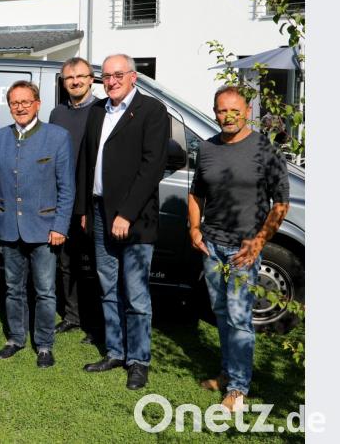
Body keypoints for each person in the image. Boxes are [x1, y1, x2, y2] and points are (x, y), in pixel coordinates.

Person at [189, 85, 290, 412]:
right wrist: (194, 228)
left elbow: (281, 203)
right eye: (222, 110)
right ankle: (227, 372)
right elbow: (196, 193)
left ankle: (238, 389)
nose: (228, 116)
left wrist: (258, 242)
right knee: (221, 313)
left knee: (239, 316)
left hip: (244, 249)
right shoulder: (207, 148)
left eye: (235, 110)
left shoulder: (264, 150)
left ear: (247, 112)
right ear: (215, 113)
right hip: (211, 246)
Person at [76, 54, 169, 390]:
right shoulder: (97, 111)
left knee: (136, 295)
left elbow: (152, 167)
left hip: (135, 219)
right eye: (106, 76)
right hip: (100, 212)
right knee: (108, 287)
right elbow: (86, 161)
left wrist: (126, 213)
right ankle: (115, 352)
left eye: (118, 75)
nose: (111, 81)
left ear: (133, 77)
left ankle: (138, 361)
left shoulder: (152, 111)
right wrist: (84, 207)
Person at [0, 80, 75, 369]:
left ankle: (44, 344)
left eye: (25, 102)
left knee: (45, 290)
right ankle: (16, 338)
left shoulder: (57, 137)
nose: (20, 107)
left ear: (37, 104)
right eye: (14, 103)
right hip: (9, 227)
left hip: (45, 229)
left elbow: (66, 187)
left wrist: (60, 226)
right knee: (13, 288)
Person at [48, 57, 102, 343]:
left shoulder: (102, 111)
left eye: (80, 76)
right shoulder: (57, 114)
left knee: (95, 266)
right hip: (62, 202)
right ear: (63, 82)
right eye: (69, 77)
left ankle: (96, 322)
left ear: (91, 79)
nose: (75, 81)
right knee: (66, 262)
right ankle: (72, 315)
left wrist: (86, 206)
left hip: (91, 202)